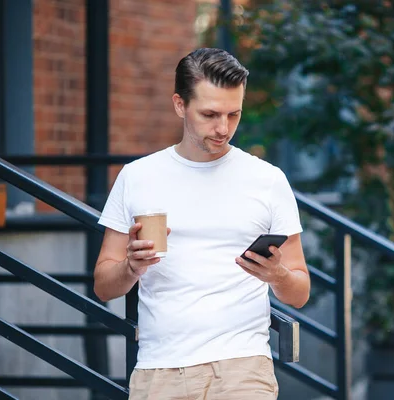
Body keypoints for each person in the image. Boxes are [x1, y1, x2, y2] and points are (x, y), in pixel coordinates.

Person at [93, 48, 310, 399]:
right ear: (180, 105)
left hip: (243, 368)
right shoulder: (137, 177)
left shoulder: (267, 180)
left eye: (233, 114)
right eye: (209, 114)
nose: (223, 128)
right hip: (160, 369)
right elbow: (104, 286)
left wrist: (277, 275)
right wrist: (131, 267)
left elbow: (299, 293)